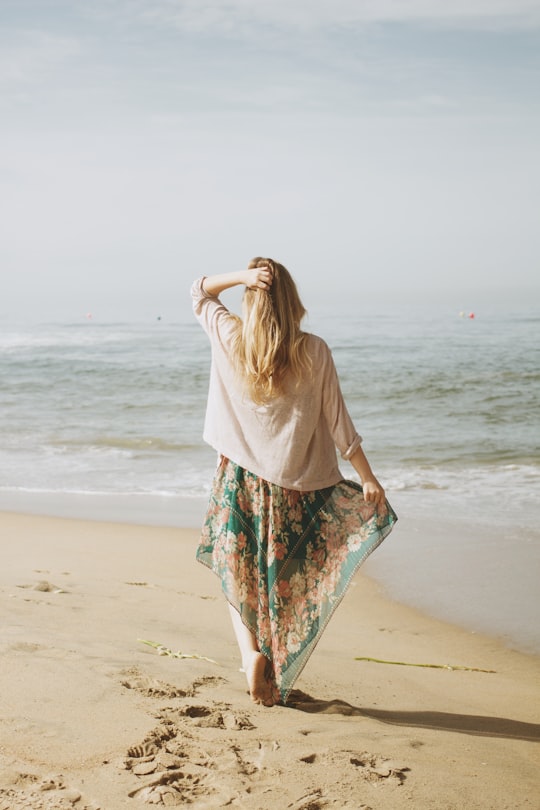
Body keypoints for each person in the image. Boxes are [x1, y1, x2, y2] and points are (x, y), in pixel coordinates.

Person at [191, 257, 397, 707]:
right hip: (294, 488)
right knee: (282, 582)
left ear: (251, 298)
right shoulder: (314, 350)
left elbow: (199, 291)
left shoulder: (229, 337)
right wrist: (367, 478)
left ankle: (251, 661)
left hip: (240, 481)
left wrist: (241, 277)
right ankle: (274, 665)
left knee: (238, 574)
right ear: (292, 300)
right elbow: (339, 423)